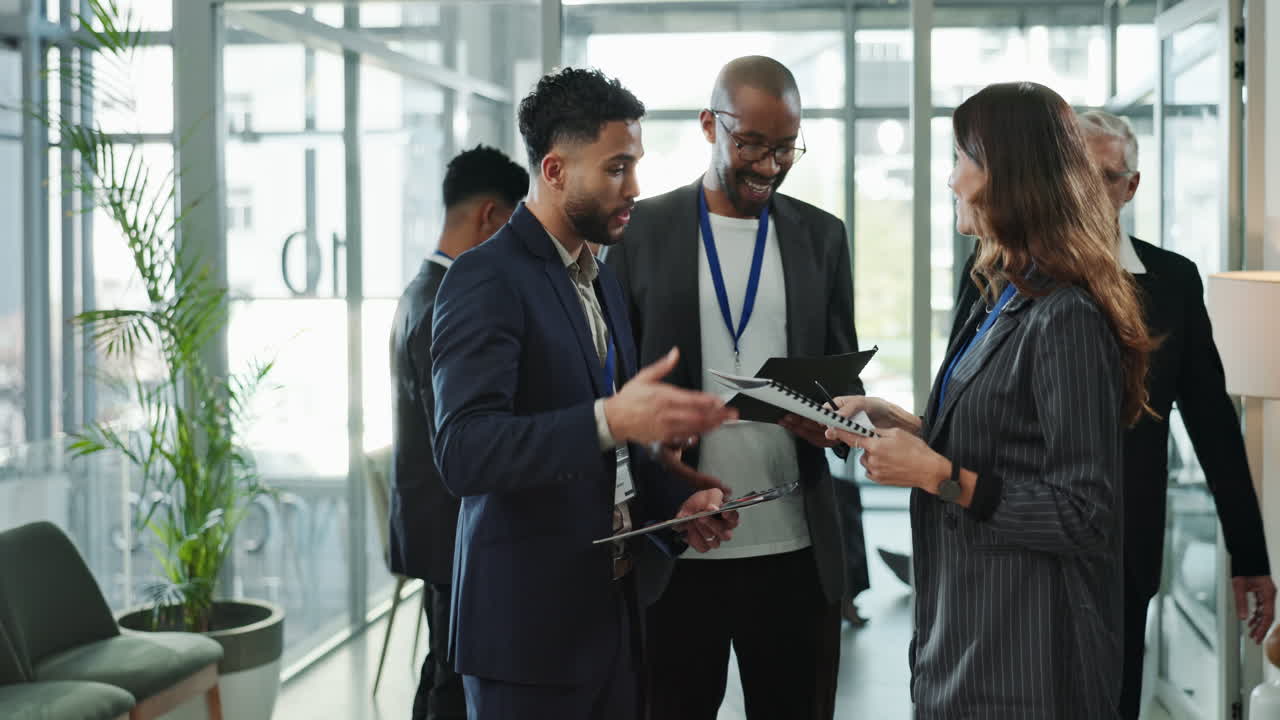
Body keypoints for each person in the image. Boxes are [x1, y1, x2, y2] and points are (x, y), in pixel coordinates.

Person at [827, 81, 1155, 719]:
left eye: (961, 160)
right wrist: (915, 429)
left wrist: (936, 473)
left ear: (1008, 176)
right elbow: (1013, 441)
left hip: (1027, 660)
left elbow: (1084, 513)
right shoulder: (999, 293)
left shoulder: (1065, 315)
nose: (951, 180)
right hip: (967, 639)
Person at [430, 67, 740, 720]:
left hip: (613, 620)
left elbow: (610, 449)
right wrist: (609, 417)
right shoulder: (484, 279)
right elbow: (463, 451)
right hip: (527, 640)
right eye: (617, 169)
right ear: (554, 170)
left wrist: (680, 499)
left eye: (636, 166)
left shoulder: (600, 277)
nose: (634, 188)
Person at [948, 109, 1274, 719]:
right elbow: (957, 404)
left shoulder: (1172, 281)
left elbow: (1212, 424)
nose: (1090, 193)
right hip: (1009, 540)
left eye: (1108, 177)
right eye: (1078, 174)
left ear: (1132, 186)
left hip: (1121, 542)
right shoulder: (997, 269)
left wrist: (1249, 557)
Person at [606, 55, 863, 720]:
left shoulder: (822, 238)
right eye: (750, 143)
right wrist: (665, 491)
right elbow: (614, 392)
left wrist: (832, 423)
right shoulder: (641, 233)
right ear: (708, 125)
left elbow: (842, 378)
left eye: (785, 147)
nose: (769, 165)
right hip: (681, 547)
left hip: (797, 551)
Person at [389, 145, 528, 720]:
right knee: (452, 680)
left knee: (444, 667)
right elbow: (462, 436)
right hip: (449, 531)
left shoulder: (422, 287)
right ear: (492, 216)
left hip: (434, 525)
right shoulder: (448, 298)